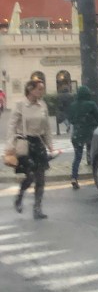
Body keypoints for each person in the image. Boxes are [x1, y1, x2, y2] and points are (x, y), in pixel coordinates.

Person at [8, 80, 55, 219]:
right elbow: (11, 126)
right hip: (25, 143)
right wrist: (10, 146)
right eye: (39, 89)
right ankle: (19, 197)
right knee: (30, 176)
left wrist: (50, 144)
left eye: (43, 89)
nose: (42, 92)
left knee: (41, 178)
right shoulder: (20, 105)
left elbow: (47, 127)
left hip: (39, 143)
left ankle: (37, 208)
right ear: (30, 90)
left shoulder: (43, 105)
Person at [67, 85, 98, 190]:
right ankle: (97, 177)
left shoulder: (73, 105)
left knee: (77, 157)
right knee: (93, 155)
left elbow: (71, 120)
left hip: (76, 135)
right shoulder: (91, 104)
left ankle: (74, 177)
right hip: (89, 134)